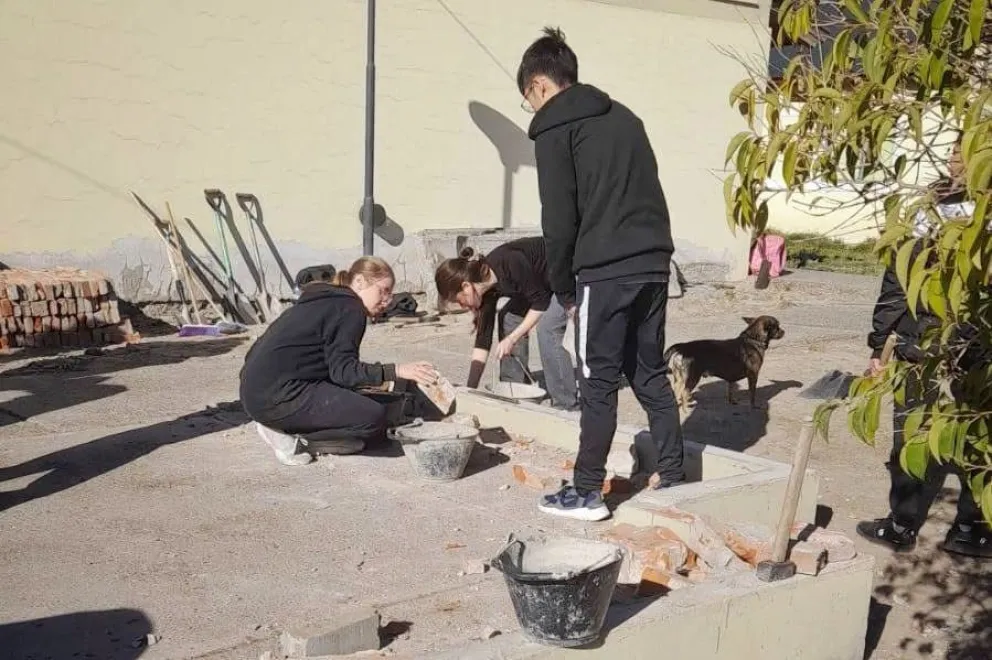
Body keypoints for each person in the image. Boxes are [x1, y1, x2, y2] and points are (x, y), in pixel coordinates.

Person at [517, 27, 683, 521]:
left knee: (597, 379)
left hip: (604, 270)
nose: (531, 109)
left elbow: (558, 218)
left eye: (529, 98)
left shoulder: (554, 128)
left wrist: (564, 286)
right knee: (648, 369)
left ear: (542, 86)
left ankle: (587, 492)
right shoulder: (627, 118)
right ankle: (673, 472)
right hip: (653, 263)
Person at [857, 140, 991, 557]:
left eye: (966, 153)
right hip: (926, 339)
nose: (956, 161)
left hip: (979, 340)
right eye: (953, 153)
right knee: (912, 427)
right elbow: (898, 279)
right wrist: (881, 344)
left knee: (978, 429)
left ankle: (970, 527)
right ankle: (903, 523)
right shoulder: (926, 209)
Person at [240, 257, 439, 466]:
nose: (388, 300)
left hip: (254, 393)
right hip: (277, 399)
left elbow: (331, 366)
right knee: (374, 418)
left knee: (358, 399)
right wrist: (396, 370)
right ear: (360, 282)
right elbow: (344, 372)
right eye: (383, 290)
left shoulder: (324, 300)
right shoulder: (351, 308)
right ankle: (293, 439)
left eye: (390, 293)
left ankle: (278, 422)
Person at [434, 237, 579, 411]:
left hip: (568, 276)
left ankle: (566, 405)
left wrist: (512, 339)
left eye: (460, 301)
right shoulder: (486, 289)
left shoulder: (509, 261)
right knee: (508, 317)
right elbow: (483, 340)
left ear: (466, 286)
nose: (463, 307)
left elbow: (540, 304)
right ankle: (513, 390)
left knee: (548, 326)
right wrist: (470, 390)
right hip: (541, 284)